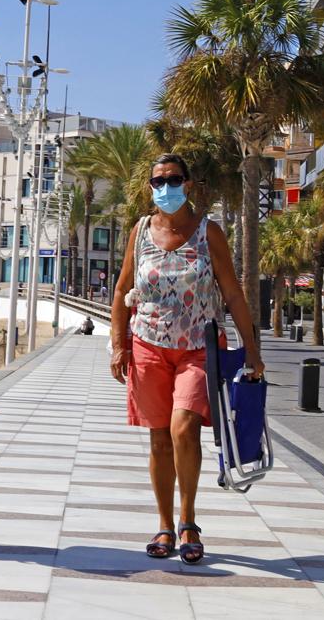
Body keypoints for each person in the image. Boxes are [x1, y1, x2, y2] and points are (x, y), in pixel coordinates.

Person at [110, 154, 264, 566]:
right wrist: (118, 343)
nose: (166, 187)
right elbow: (123, 288)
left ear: (189, 184)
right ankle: (163, 523)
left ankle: (188, 521)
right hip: (147, 345)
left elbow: (232, 292)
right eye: (158, 181)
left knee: (184, 428)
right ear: (150, 187)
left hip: (199, 345)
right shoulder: (141, 231)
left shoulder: (208, 232)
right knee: (159, 438)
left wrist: (252, 349)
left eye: (174, 179)